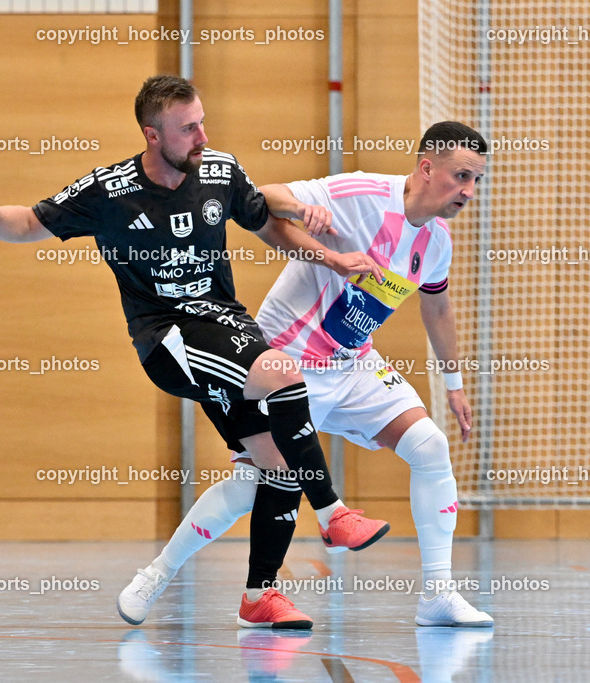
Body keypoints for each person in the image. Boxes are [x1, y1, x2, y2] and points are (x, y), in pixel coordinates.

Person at [0, 74, 392, 629]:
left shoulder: (220, 170)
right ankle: (331, 512)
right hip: (168, 338)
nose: (202, 136)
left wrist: (333, 258)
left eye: (202, 122)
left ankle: (246, 594)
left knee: (272, 465)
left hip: (226, 323)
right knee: (282, 373)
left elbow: (269, 226)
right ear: (152, 135)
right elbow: (29, 223)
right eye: (188, 128)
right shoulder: (109, 191)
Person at [118, 121, 494, 628]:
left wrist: (454, 385)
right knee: (255, 485)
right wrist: (301, 207)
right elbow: (259, 197)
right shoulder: (361, 193)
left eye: (477, 181)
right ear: (427, 168)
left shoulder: (437, 241)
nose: (469, 191)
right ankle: (156, 575)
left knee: (429, 447)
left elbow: (439, 310)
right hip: (283, 363)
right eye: (462, 176)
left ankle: (438, 596)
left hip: (353, 363)